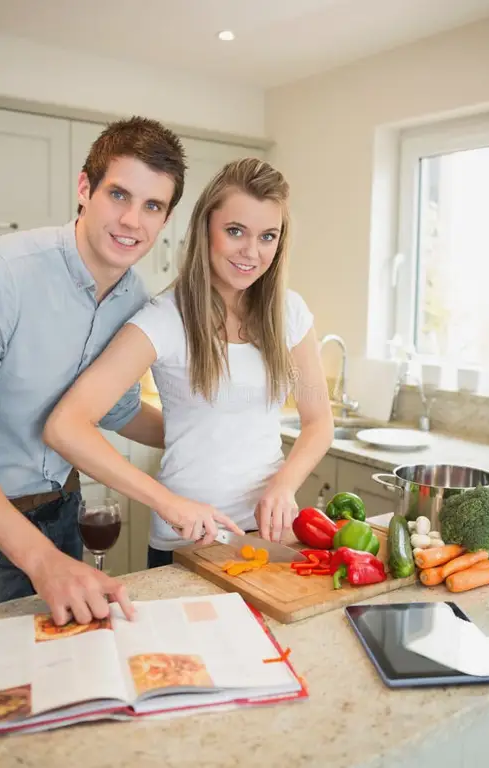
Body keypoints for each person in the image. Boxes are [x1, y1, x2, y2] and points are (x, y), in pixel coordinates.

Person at [0, 115, 238, 625]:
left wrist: (209, 433)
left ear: (166, 219)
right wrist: (41, 561)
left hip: (62, 513)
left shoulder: (133, 298)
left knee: (58, 682)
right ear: (85, 189)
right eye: (119, 195)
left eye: (152, 205)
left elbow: (120, 411)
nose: (133, 221)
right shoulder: (8, 275)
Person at [44, 157, 334, 568]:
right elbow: (66, 426)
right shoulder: (165, 317)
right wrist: (169, 503)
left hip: (271, 536)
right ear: (206, 230)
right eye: (235, 231)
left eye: (268, 236)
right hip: (190, 542)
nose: (251, 252)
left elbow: (319, 421)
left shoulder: (289, 313)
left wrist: (285, 486)